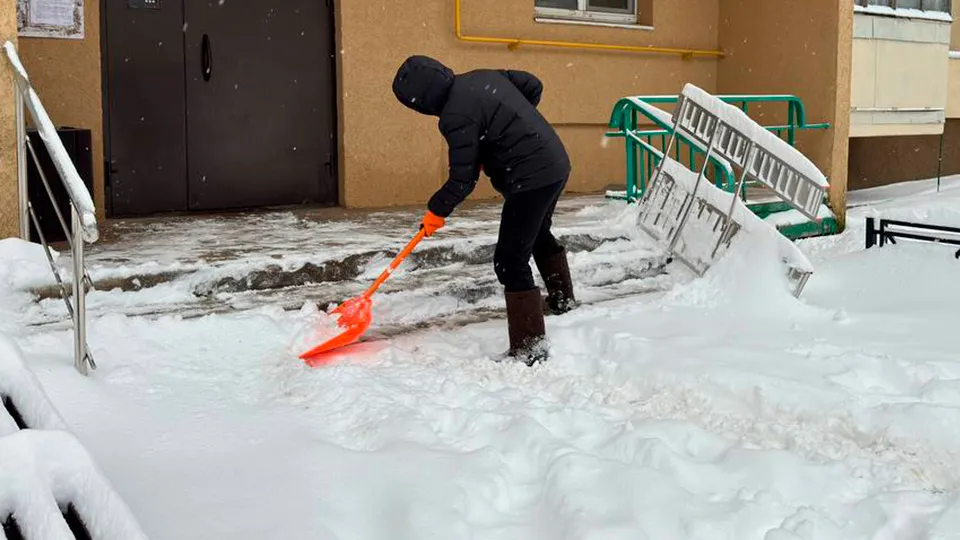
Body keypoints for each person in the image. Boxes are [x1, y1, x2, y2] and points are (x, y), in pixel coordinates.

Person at [391, 55, 575, 364]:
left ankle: (530, 347)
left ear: (421, 101)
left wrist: (437, 210)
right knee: (538, 231)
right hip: (555, 162)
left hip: (530, 178)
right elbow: (533, 85)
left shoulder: (455, 115)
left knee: (509, 260)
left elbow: (462, 180)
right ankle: (562, 300)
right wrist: (516, 126)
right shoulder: (483, 76)